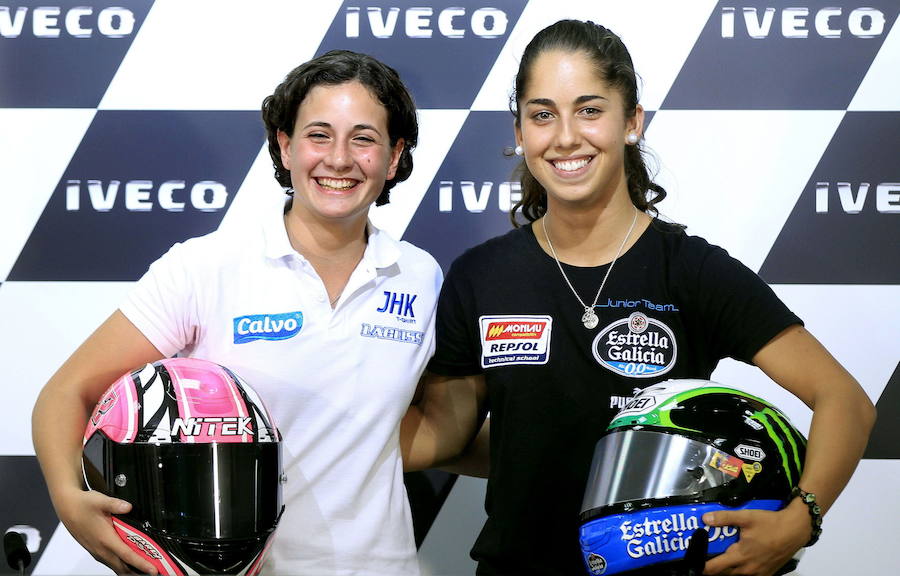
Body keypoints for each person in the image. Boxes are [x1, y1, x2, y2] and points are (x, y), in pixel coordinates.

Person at [401, 20, 875, 576]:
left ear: (632, 123)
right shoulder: (480, 275)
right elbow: (449, 437)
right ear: (521, 130)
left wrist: (801, 519)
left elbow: (845, 400)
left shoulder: (691, 270)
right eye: (542, 114)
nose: (565, 137)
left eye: (590, 110)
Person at [32, 49, 442, 576]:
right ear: (286, 146)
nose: (339, 158)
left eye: (363, 138)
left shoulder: (421, 275)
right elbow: (65, 393)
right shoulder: (208, 265)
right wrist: (71, 503)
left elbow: (407, 428)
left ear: (393, 156)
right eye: (318, 134)